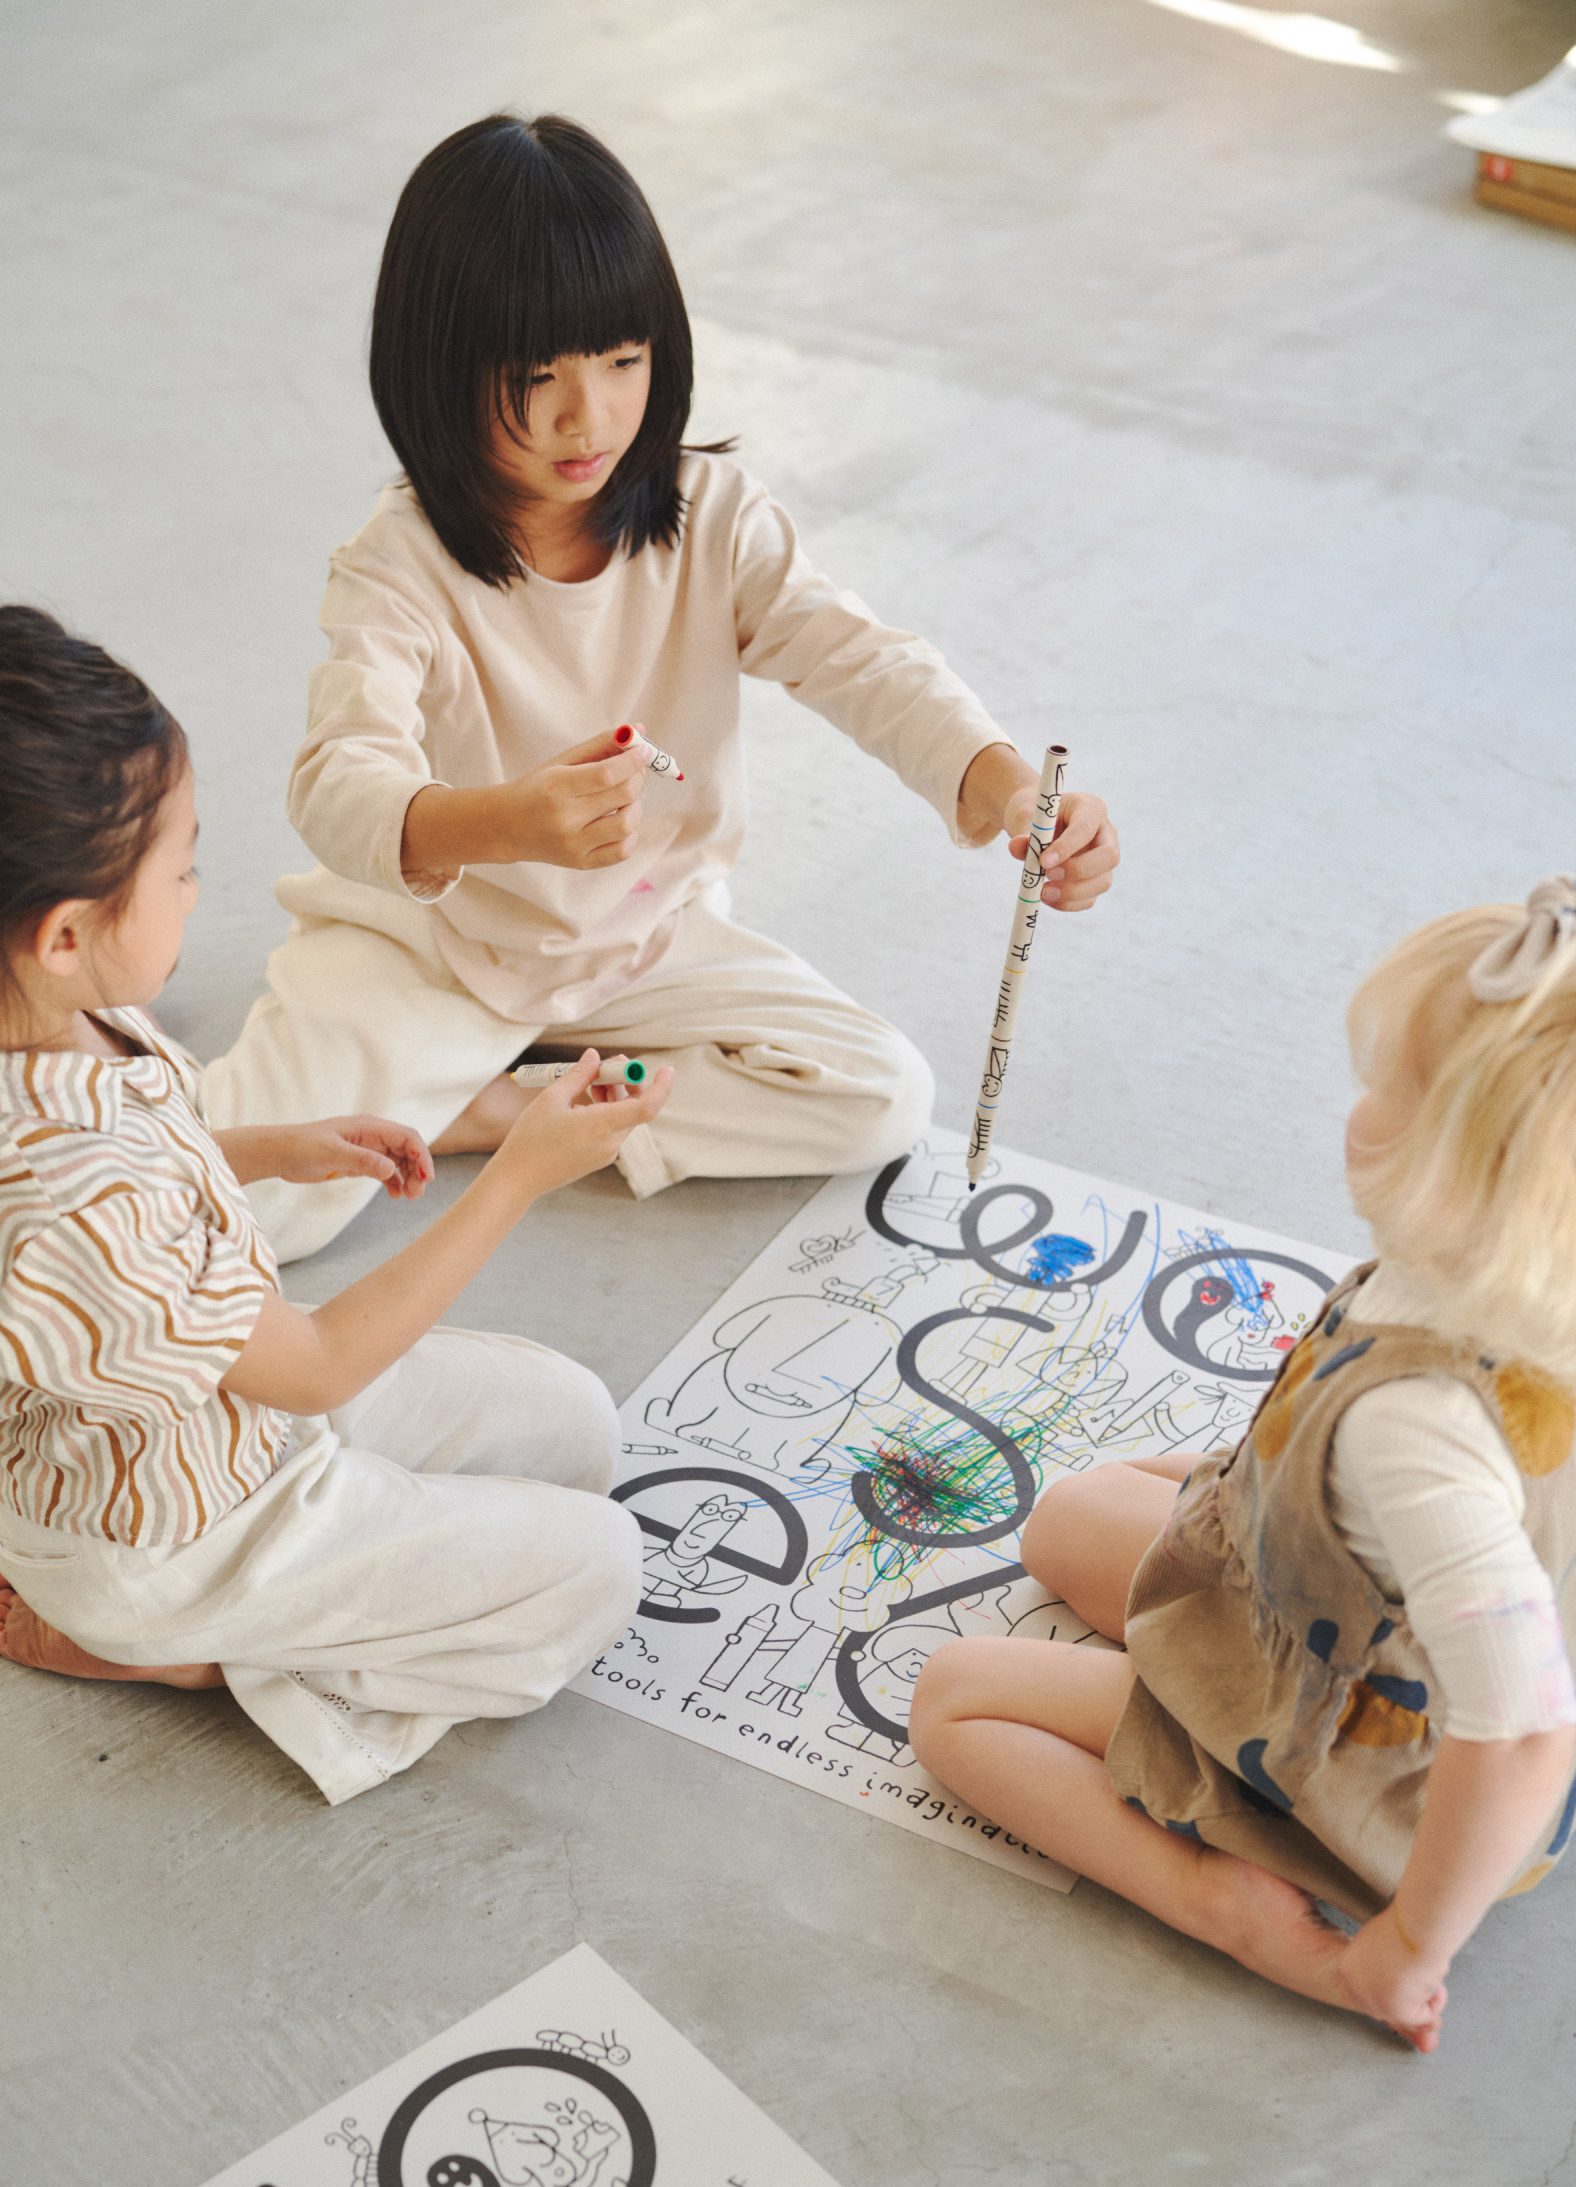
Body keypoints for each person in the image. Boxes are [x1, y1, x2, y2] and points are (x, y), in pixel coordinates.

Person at [201, 111, 1119, 1263]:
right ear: (435, 373)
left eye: (623, 361)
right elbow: (339, 784)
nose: (589, 418)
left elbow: (860, 659)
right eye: (535, 377)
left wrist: (1003, 785)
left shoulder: (712, 518)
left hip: (639, 946)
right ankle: (483, 1097)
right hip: (431, 952)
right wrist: (506, 824)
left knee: (875, 1093)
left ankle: (513, 1113)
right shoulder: (399, 567)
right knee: (232, 1211)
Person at [0, 605, 671, 1802]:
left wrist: (267, 1148)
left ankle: (255, 1610)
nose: (201, 893)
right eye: (182, 867)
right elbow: (310, 1365)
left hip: (218, 1429)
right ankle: (191, 1659)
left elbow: (142, 1153)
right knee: (599, 1572)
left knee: (579, 1426)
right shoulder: (73, 1193)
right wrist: (516, 1173)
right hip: (175, 1535)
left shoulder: (51, 1026)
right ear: (63, 935)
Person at [911, 882, 1576, 2050]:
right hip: (1345, 1623)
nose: (1354, 1106)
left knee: (953, 1700)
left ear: (1456, 1171)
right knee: (1067, 1517)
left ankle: (1222, 1907)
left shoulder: (1413, 1424)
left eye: (1385, 1089)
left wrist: (1407, 1946)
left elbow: (1520, 1733)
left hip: (1368, 1777)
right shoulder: (1515, 1281)